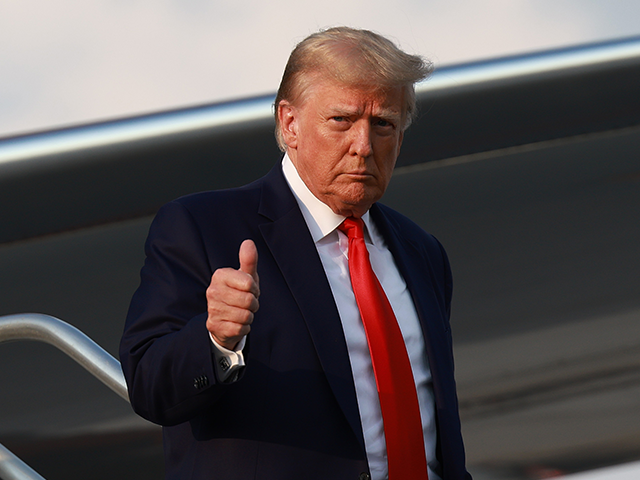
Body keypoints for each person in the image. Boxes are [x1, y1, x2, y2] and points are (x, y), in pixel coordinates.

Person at [120, 26, 472, 480]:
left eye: (383, 123)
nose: (363, 146)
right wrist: (214, 341)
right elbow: (150, 388)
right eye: (341, 120)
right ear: (290, 124)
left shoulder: (422, 252)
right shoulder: (203, 227)